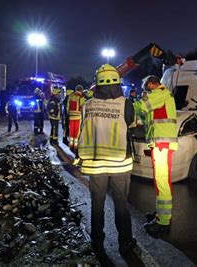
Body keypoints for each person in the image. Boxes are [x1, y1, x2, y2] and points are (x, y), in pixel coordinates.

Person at [74, 64, 137, 255]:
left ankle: (97, 241)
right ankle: (125, 243)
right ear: (117, 83)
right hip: (119, 163)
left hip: (96, 164)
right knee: (121, 204)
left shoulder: (88, 105)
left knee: (97, 204)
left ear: (97, 84)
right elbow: (132, 127)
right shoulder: (125, 104)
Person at [138, 75, 178, 236]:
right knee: (160, 181)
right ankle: (161, 214)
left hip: (163, 143)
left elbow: (141, 107)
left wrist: (125, 106)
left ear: (152, 84)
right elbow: (145, 117)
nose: (147, 91)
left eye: (148, 88)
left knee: (162, 181)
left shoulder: (161, 93)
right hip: (160, 143)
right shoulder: (161, 96)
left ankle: (163, 222)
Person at [67, 85, 86, 151]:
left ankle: (70, 144)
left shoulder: (71, 95)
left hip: (71, 116)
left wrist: (69, 113)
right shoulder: (81, 97)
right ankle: (75, 146)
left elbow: (67, 106)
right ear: (81, 90)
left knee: (71, 130)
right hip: (78, 117)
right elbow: (83, 107)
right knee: (76, 131)